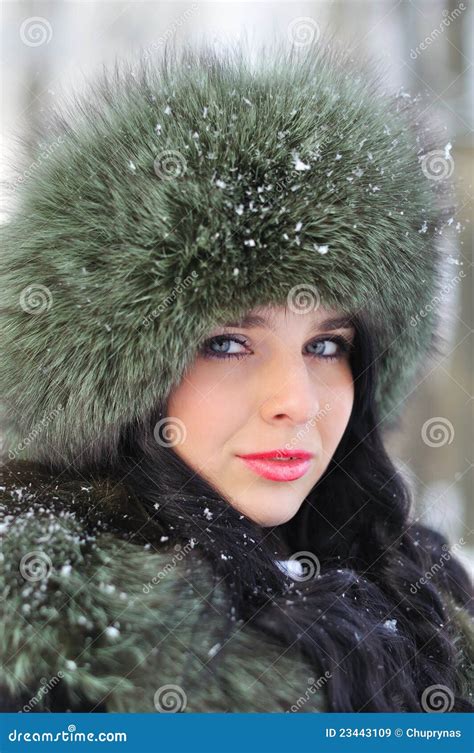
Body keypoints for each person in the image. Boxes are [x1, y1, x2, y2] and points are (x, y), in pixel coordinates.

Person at [0, 40, 472, 714]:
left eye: (327, 345)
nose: (296, 401)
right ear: (119, 378)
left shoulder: (422, 599)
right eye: (226, 342)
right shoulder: (45, 651)